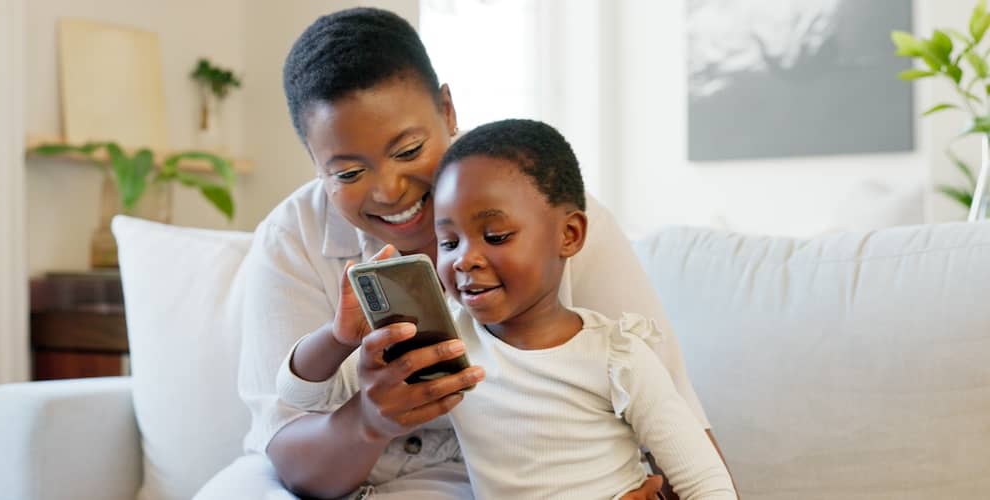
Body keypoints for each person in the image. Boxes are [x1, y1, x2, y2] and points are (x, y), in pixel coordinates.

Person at [194, 7, 725, 500]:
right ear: (314, 161)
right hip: (329, 478)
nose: (388, 190)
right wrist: (368, 416)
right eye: (348, 173)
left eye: (407, 151)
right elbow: (292, 431)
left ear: (448, 110)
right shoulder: (291, 240)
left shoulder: (547, 211)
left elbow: (678, 427)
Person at [275, 119, 735, 499]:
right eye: (449, 241)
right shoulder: (447, 350)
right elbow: (304, 395)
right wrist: (338, 338)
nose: (465, 259)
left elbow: (702, 480)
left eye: (495, 237)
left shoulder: (618, 356)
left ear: (569, 236)